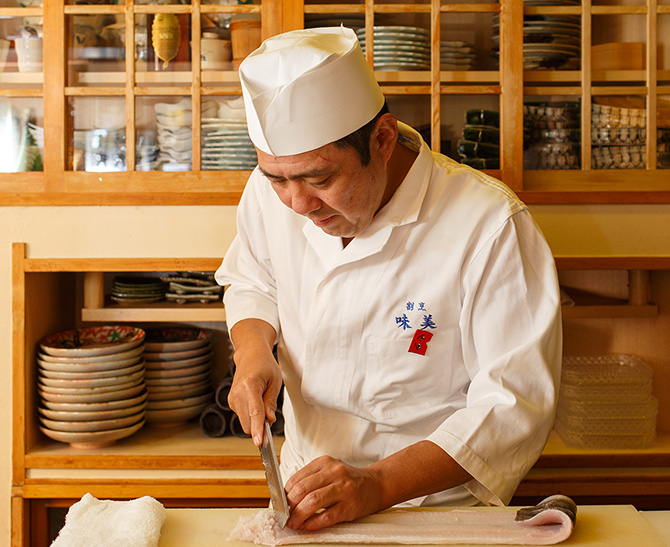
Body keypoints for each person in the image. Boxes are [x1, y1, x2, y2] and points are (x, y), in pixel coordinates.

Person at [215, 26, 562, 533]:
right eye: (278, 180)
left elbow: (514, 405)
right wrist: (252, 352)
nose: (298, 204)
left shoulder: (487, 225)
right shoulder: (274, 189)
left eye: (321, 179)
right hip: (305, 490)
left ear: (381, 139)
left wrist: (376, 484)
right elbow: (253, 279)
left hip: (432, 507)